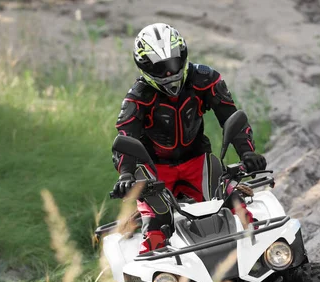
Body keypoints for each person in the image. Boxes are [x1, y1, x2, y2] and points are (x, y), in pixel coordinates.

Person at [112, 22, 267, 254]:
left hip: (198, 161)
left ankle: (267, 254)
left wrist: (247, 152)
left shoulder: (205, 78)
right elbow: (125, 136)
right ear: (144, 67)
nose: (169, 73)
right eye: (160, 67)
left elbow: (231, 116)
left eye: (173, 64)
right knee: (156, 223)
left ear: (183, 55)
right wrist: (125, 173)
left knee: (232, 201)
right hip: (156, 171)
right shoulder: (137, 97)